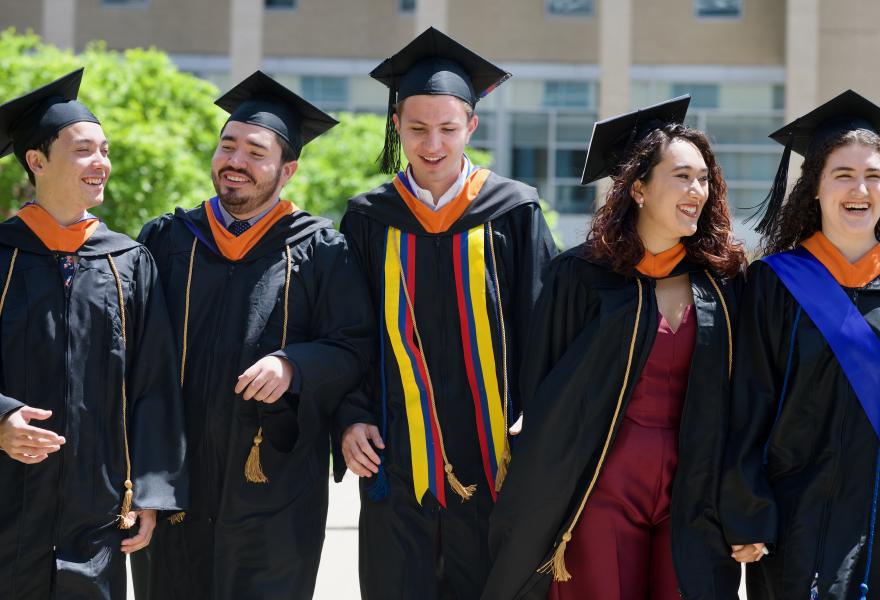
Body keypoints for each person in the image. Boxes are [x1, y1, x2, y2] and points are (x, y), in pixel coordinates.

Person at [483, 96, 745, 600]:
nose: (697, 190)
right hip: (601, 487)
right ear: (639, 188)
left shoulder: (723, 283)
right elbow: (544, 394)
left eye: (704, 179)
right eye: (682, 176)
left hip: (694, 490)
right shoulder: (579, 277)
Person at [136, 71, 374, 600]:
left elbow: (356, 345)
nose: (235, 161)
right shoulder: (168, 239)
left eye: (255, 152)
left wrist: (296, 365)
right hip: (177, 480)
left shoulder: (321, 251)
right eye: (227, 146)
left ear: (286, 170)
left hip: (276, 484)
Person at [338, 27, 557, 600]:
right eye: (416, 129)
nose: (432, 144)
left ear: (471, 127)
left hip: (497, 460)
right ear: (396, 126)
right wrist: (349, 415)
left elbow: (546, 325)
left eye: (447, 129)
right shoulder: (369, 218)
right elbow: (346, 333)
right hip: (396, 459)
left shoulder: (513, 211)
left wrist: (539, 415)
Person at [0, 69, 186, 600]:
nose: (101, 163)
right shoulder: (4, 255)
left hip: (98, 512)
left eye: (104, 149)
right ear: (37, 161)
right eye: (84, 150)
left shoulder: (128, 261)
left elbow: (154, 385)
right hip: (9, 504)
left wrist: (151, 491)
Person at [719, 90, 880, 600]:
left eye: (873, 176)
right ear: (815, 190)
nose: (859, 188)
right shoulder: (774, 284)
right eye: (842, 175)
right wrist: (748, 508)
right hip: (800, 508)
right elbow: (746, 400)